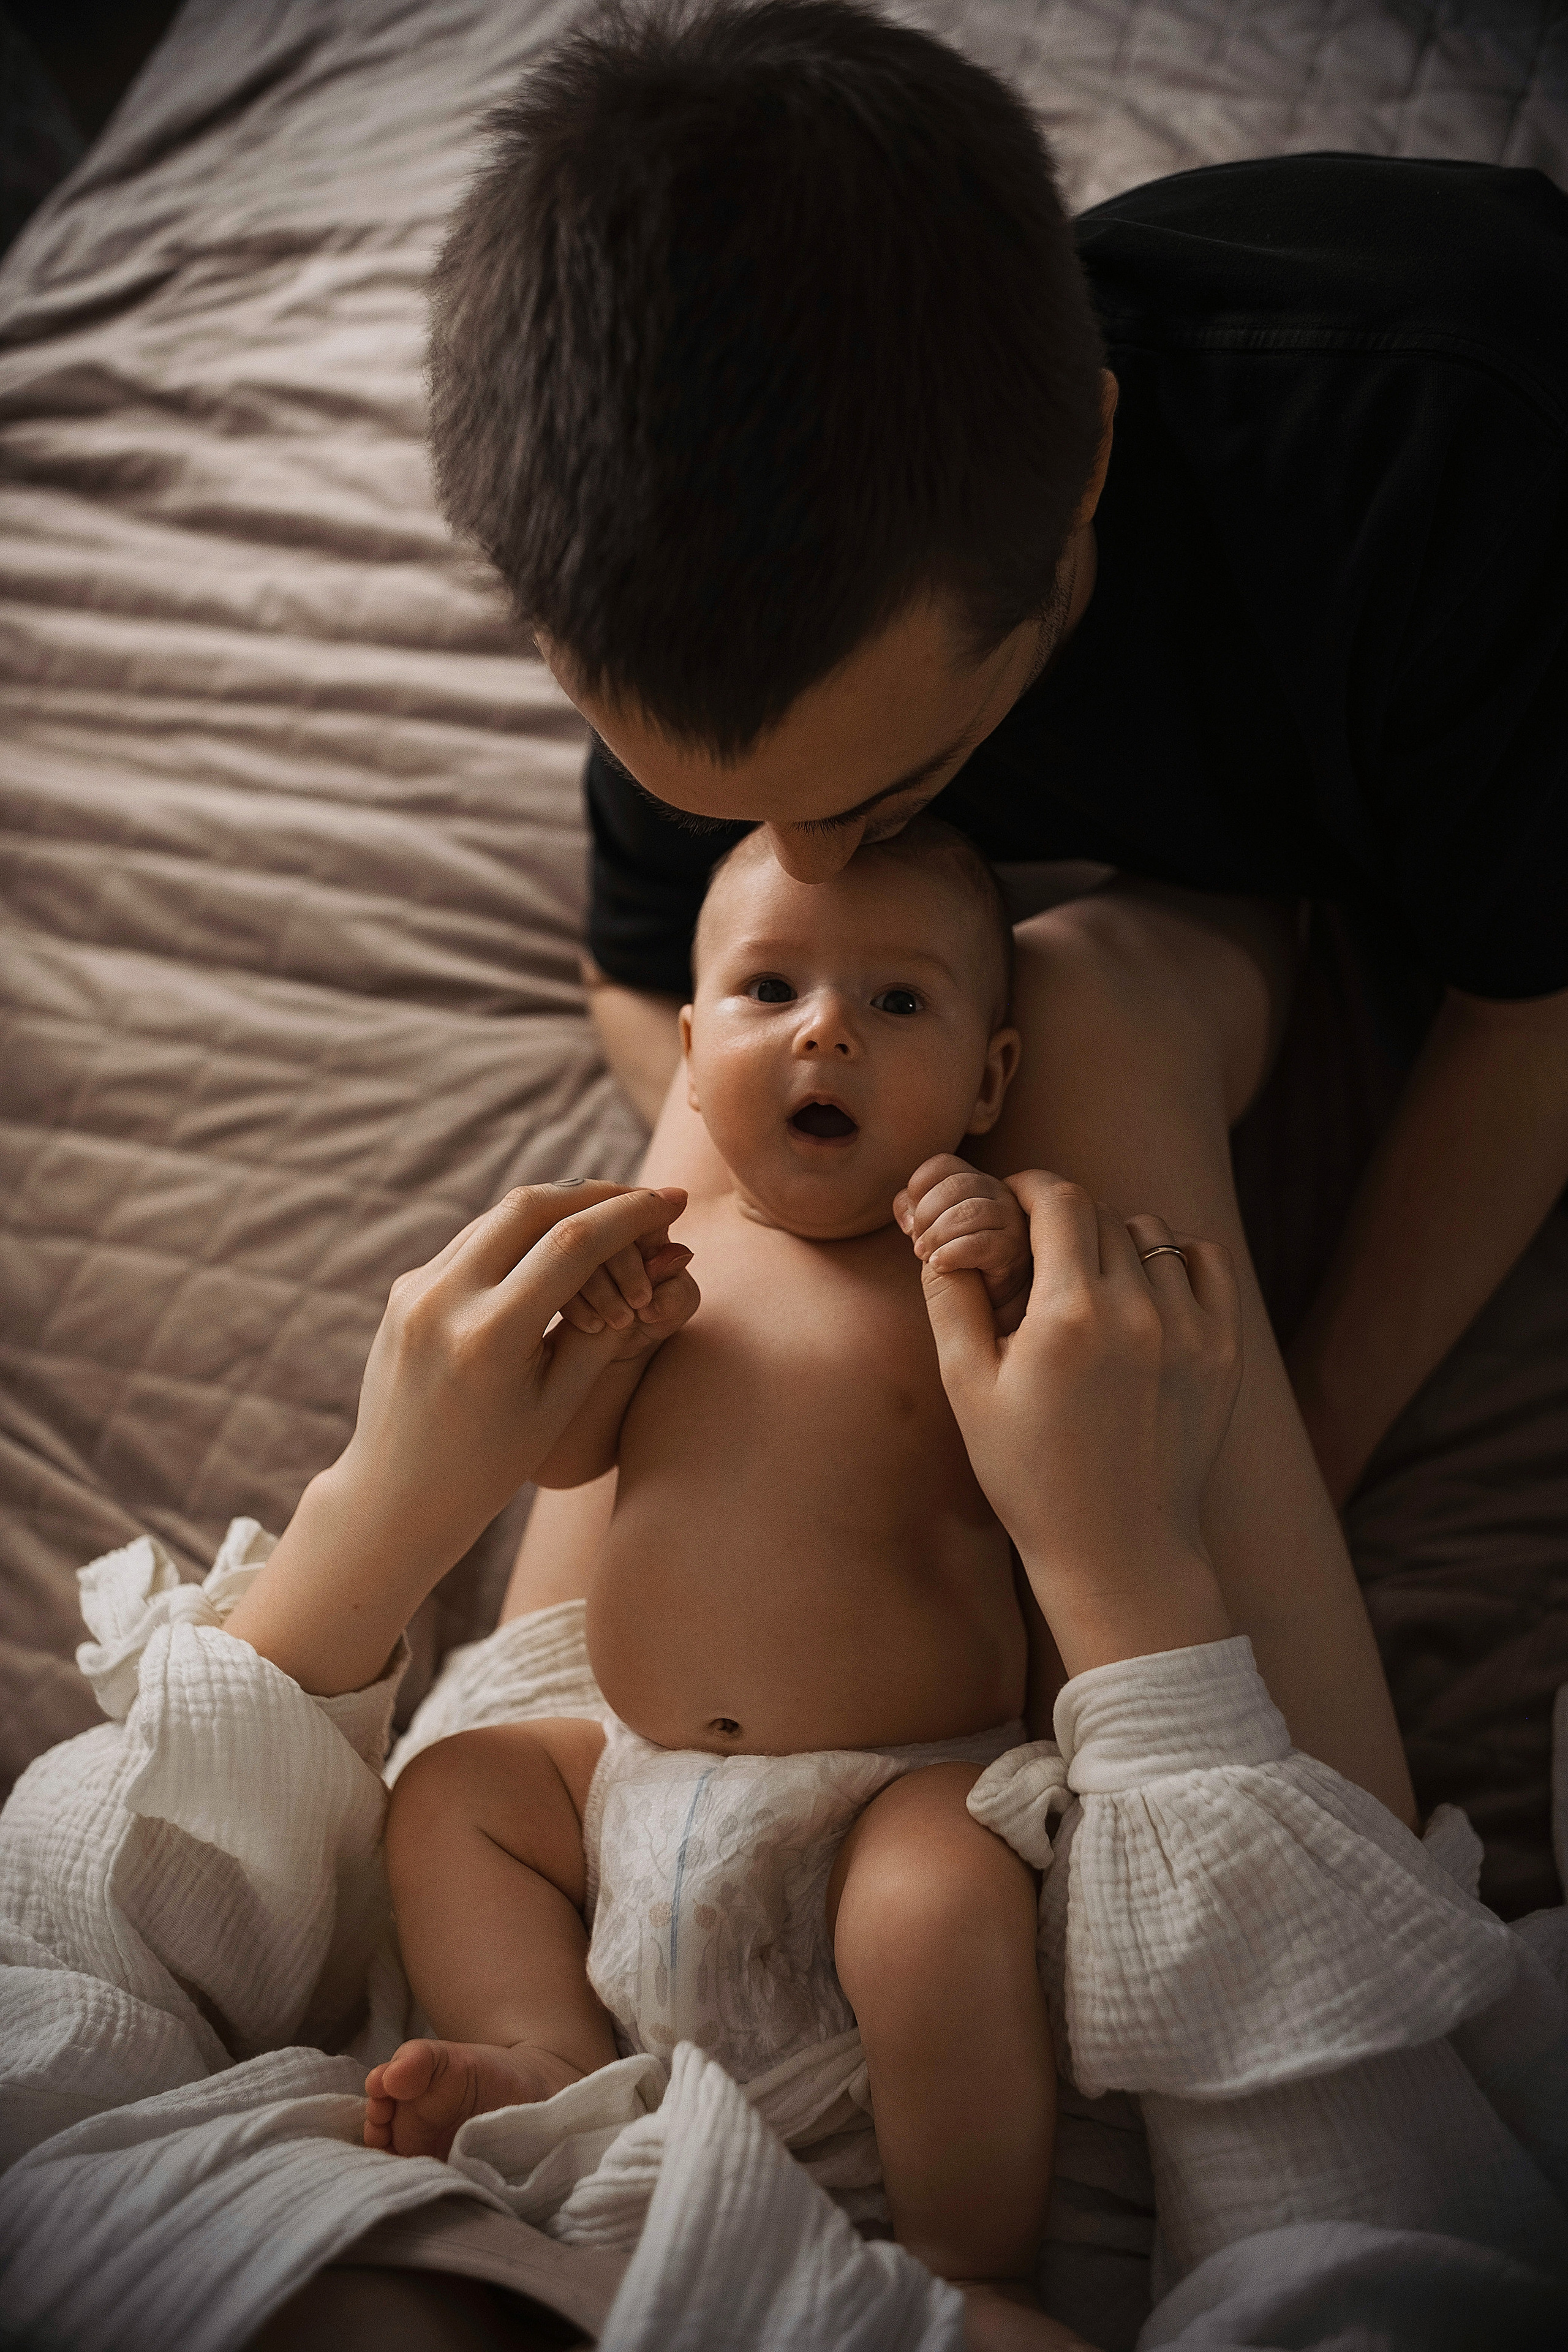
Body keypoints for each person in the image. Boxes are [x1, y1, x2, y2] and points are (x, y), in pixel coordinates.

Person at [425, 0, 1568, 1811]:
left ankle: (1292, 1929)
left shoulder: (1443, 455)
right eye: (730, 809)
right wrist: (803, 1248)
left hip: (1476, 750)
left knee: (1052, 1004)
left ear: (1086, 477)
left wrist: (1300, 1439)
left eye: (883, 789)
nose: (805, 851)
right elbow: (643, 971)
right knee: (760, 1035)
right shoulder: (693, 585)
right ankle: (551, 1829)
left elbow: (1533, 1014)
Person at [353, 821, 1072, 2314]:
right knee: (454, 1791)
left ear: (987, 1081)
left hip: (887, 1794)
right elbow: (568, 1462)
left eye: (896, 1001)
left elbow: (1068, 1450)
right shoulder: (668, 1260)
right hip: (629, 1778)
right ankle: (544, 2050)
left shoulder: (954, 1278)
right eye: (771, 990)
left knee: (939, 1909)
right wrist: (605, 1349)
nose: (825, 1030)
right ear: (691, 1054)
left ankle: (968, 2259)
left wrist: (1008, 1261)